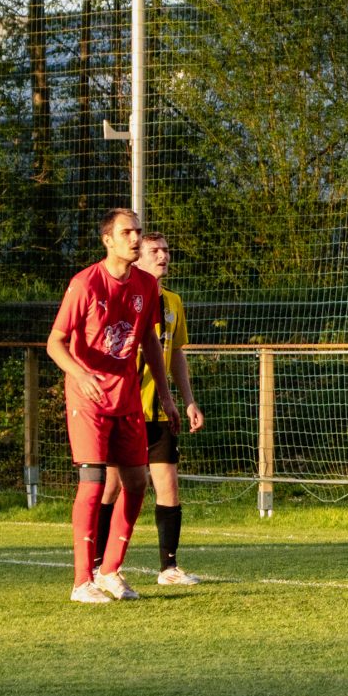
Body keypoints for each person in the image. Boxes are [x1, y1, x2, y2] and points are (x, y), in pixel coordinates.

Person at [46, 207, 171, 604]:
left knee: (136, 482)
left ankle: (110, 571)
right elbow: (55, 343)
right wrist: (80, 375)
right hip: (89, 399)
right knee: (93, 482)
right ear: (108, 240)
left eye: (138, 232)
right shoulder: (85, 283)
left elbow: (150, 342)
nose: (136, 239)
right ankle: (82, 581)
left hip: (127, 397)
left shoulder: (146, 286)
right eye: (127, 233)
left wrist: (166, 396)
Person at [101, 231, 202, 586]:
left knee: (168, 487)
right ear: (138, 259)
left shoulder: (173, 302)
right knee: (112, 487)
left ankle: (169, 568)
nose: (163, 256)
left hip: (160, 413)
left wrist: (188, 400)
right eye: (154, 251)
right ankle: (99, 565)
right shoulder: (124, 298)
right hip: (124, 409)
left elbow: (176, 354)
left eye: (166, 250)